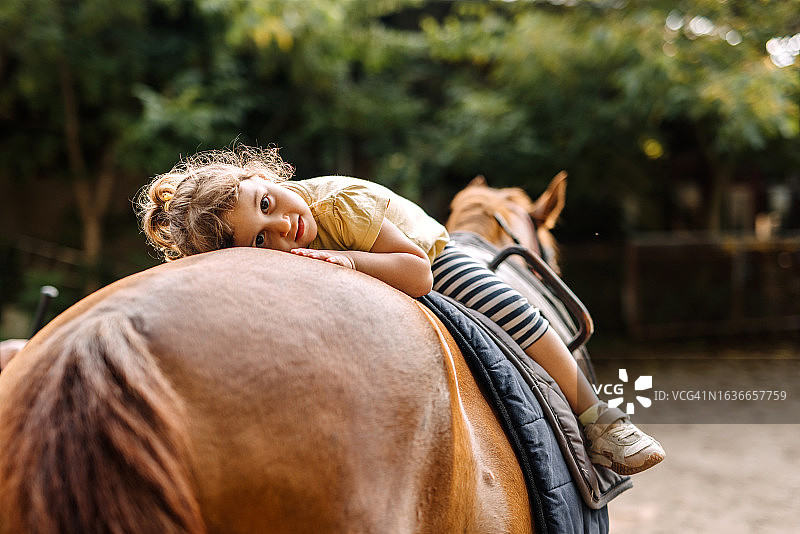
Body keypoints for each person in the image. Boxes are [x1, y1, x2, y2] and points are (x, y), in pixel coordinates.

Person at [137, 145, 664, 475]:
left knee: (507, 306)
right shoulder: (278, 252)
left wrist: (342, 260)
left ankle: (597, 415)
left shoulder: (339, 201)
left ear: (267, 180)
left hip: (425, 255)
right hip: (354, 272)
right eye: (259, 241)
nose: (281, 229)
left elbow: (416, 274)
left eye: (268, 206)